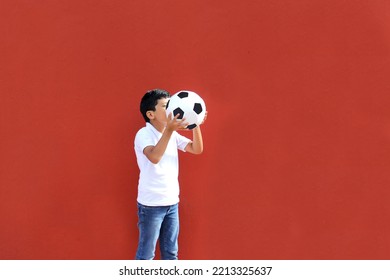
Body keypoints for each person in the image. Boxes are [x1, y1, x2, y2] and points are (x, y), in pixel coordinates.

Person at [134, 89, 205, 260]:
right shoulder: (144, 134)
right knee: (146, 255)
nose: (170, 109)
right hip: (151, 204)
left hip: (172, 202)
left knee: (171, 253)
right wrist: (169, 130)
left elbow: (196, 149)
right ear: (150, 114)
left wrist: (196, 124)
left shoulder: (172, 134)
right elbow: (155, 157)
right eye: (165, 106)